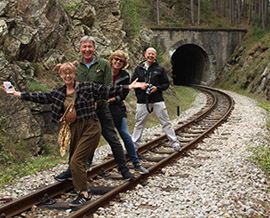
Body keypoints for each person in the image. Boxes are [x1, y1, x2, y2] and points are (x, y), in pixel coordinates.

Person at [1, 61, 145, 207]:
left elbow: (106, 90)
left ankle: (84, 193)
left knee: (76, 161)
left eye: (70, 73)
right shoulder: (58, 93)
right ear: (60, 75)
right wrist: (16, 93)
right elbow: (40, 97)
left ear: (75, 74)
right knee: (75, 162)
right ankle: (80, 189)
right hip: (75, 128)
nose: (67, 76)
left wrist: (129, 86)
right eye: (64, 73)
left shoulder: (87, 87)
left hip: (90, 127)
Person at [55, 36, 135, 181]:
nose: (87, 50)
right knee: (77, 141)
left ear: (94, 48)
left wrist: (97, 100)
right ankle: (70, 170)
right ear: (80, 48)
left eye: (89, 47)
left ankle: (124, 170)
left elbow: (108, 88)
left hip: (101, 110)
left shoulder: (104, 64)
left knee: (113, 140)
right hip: (81, 112)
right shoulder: (75, 66)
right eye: (84, 47)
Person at [131, 47, 181, 151]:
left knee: (165, 122)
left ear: (155, 56)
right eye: (149, 54)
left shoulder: (160, 69)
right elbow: (133, 83)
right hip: (142, 100)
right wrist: (141, 86)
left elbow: (166, 84)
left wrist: (157, 88)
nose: (150, 56)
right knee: (139, 123)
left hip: (157, 99)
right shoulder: (138, 69)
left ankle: (175, 143)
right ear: (145, 55)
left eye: (152, 54)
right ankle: (134, 146)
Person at [107, 50, 149, 174]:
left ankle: (136, 163)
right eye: (116, 59)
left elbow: (123, 94)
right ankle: (87, 164)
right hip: (102, 108)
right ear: (111, 59)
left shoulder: (125, 75)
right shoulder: (104, 71)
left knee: (125, 134)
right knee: (93, 135)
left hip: (117, 108)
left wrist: (113, 99)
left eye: (121, 60)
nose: (118, 62)